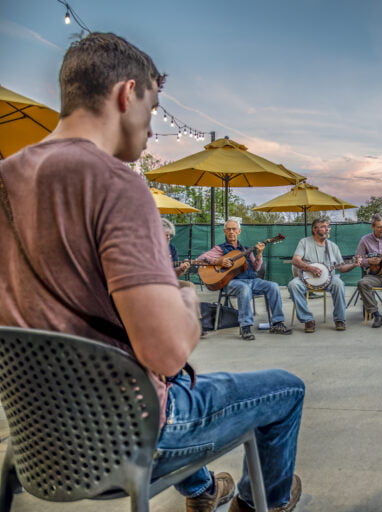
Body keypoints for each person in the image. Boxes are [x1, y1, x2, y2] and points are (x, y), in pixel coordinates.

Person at [0, 33, 304, 512]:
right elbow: (165, 353)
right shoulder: (114, 183)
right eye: (154, 105)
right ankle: (261, 503)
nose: (150, 124)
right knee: (286, 388)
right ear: (127, 94)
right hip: (128, 439)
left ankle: (203, 492)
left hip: (36, 441)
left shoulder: (5, 177)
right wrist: (184, 300)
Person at [198, 219, 292, 339]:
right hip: (232, 282)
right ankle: (245, 327)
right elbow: (202, 258)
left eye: (234, 229)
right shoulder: (220, 249)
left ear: (239, 231)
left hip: (252, 280)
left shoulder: (246, 249)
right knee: (244, 288)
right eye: (228, 229)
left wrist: (259, 254)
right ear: (224, 231)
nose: (231, 232)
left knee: (273, 286)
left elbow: (256, 268)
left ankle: (277, 323)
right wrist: (219, 260)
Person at [288, 217, 359, 333]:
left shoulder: (332, 246)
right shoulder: (304, 242)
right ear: (314, 230)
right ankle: (308, 319)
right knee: (293, 285)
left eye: (328, 227)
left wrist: (354, 265)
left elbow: (341, 268)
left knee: (339, 283)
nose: (327, 229)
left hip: (329, 279)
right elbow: (295, 260)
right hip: (306, 279)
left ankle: (339, 319)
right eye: (323, 227)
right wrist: (309, 268)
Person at [161, 217, 195, 289]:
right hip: (149, 282)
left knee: (189, 286)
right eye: (166, 235)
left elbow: (175, 272)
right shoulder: (149, 247)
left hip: (167, 280)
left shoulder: (171, 248)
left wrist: (181, 269)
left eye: (170, 235)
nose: (168, 237)